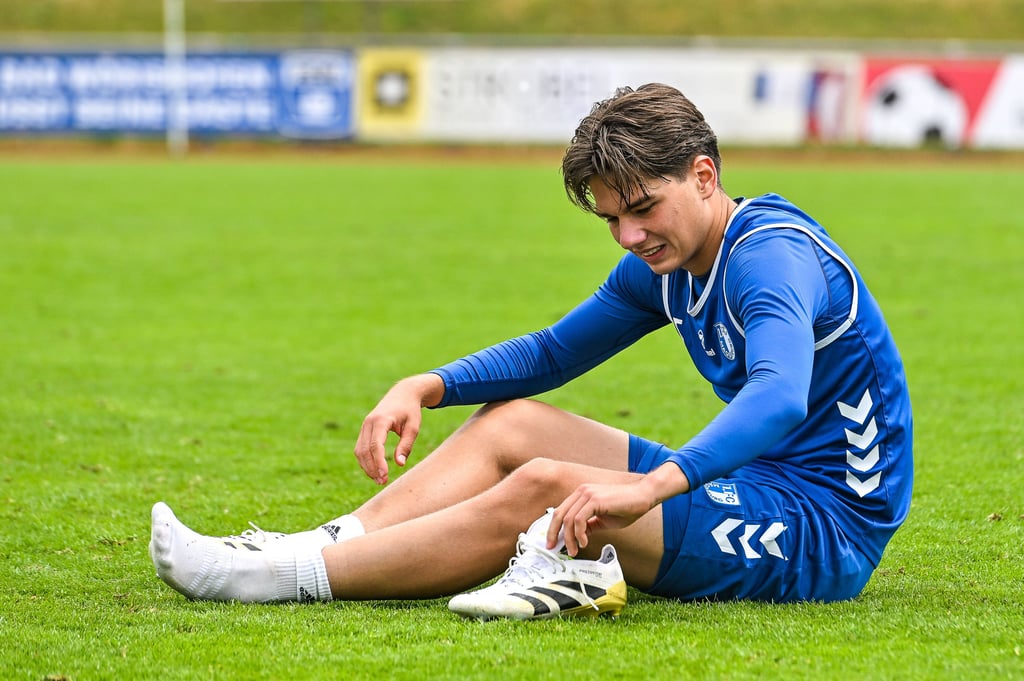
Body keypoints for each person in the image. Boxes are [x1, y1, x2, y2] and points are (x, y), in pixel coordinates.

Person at [149, 83, 913, 618]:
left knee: (550, 481)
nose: (629, 237)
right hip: (749, 484)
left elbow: (779, 393)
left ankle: (274, 578)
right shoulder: (672, 261)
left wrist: (653, 487)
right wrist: (430, 383)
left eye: (643, 209)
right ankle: (324, 541)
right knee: (512, 424)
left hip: (822, 528)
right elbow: (554, 351)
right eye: (613, 219)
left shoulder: (768, 258)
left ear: (704, 174)